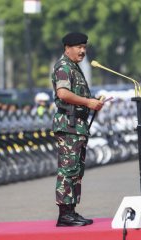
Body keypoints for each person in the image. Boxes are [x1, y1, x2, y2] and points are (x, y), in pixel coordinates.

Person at [51, 32, 104, 227]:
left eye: (84, 47)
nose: (83, 51)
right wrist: (87, 102)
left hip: (77, 124)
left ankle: (71, 211)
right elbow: (63, 93)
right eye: (78, 47)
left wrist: (93, 102)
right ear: (67, 48)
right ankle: (64, 214)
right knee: (68, 168)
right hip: (69, 124)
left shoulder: (74, 67)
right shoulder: (64, 66)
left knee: (76, 169)